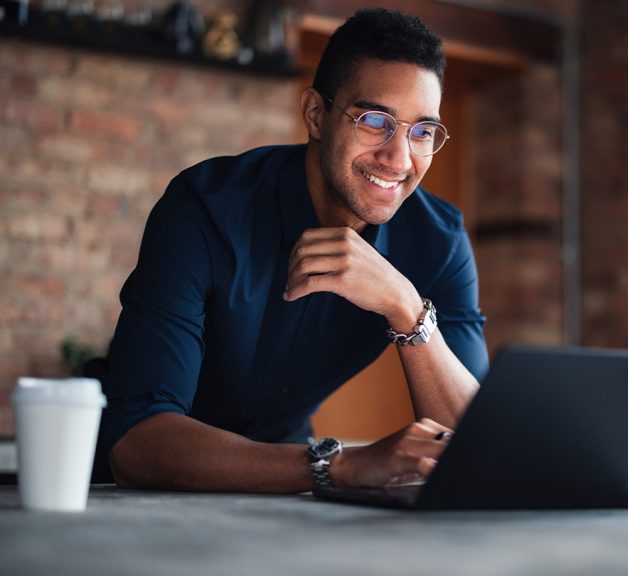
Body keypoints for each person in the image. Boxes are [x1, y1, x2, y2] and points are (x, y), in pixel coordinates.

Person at [95, 7, 489, 493]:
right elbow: (136, 441)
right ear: (316, 114)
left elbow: (481, 445)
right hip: (140, 493)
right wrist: (339, 465)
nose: (399, 157)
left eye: (422, 131)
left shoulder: (439, 239)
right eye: (374, 120)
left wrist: (406, 307)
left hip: (288, 491)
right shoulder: (205, 208)